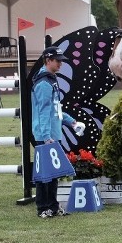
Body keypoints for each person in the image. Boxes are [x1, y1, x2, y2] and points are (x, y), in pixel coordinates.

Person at [31, 46, 85, 218]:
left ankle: (53, 207)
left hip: (53, 134)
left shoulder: (51, 80)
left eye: (61, 60)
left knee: (53, 174)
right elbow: (43, 112)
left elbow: (56, 108)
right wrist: (46, 136)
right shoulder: (44, 83)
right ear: (48, 60)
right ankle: (43, 208)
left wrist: (72, 122)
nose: (60, 63)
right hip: (45, 136)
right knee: (44, 175)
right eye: (57, 60)